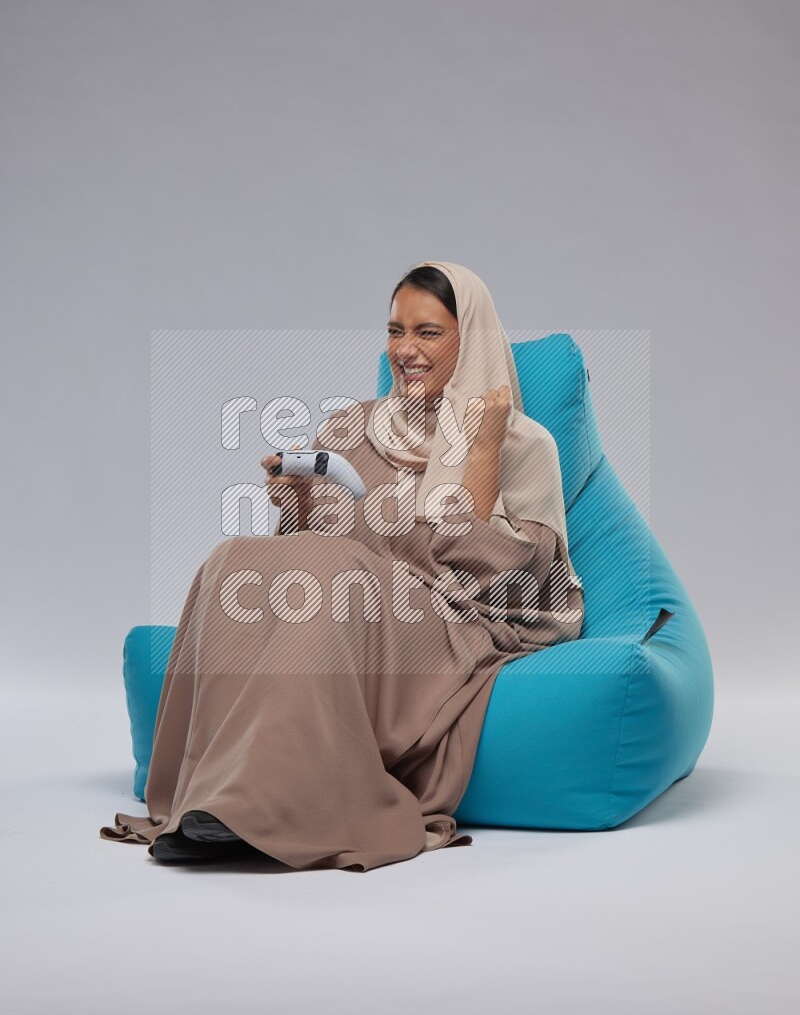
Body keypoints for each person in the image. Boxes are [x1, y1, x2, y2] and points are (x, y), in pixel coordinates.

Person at [100, 261, 585, 871]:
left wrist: (480, 445)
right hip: (359, 604)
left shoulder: (522, 442)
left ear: (473, 339)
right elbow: (311, 548)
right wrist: (301, 498)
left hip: (446, 616)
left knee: (336, 576)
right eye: (395, 331)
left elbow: (491, 574)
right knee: (233, 560)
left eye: (428, 332)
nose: (405, 350)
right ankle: (211, 798)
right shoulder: (355, 427)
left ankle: (271, 808)